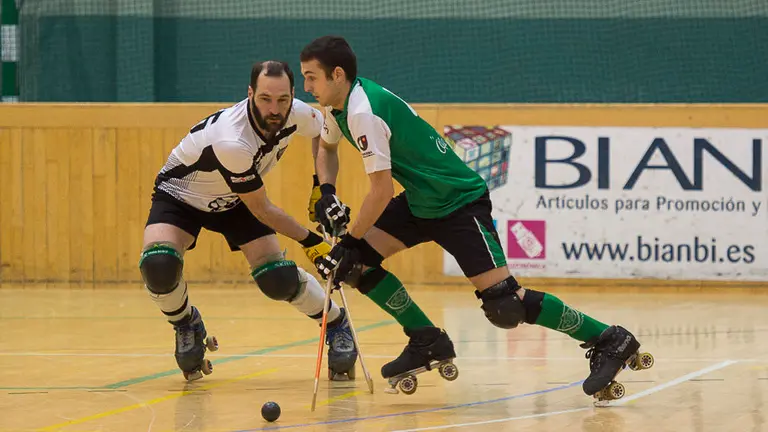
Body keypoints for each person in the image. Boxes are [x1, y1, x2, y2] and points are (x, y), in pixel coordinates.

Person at [300, 36, 653, 399]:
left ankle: (610, 339)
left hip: (458, 202)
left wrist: (349, 241)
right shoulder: (338, 106)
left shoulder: (363, 112)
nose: (307, 87)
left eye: (312, 78)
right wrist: (327, 191)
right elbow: (326, 149)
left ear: (337, 74)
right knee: (354, 267)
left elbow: (380, 191)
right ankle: (426, 340)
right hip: (422, 202)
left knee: (506, 305)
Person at [139, 60, 357, 382]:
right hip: (181, 196)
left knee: (276, 278)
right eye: (265, 99)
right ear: (250, 93)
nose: (274, 109)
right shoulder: (232, 141)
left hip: (235, 200)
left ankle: (337, 324)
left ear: (293, 95)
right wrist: (311, 242)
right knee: (158, 264)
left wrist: (319, 186)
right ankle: (187, 323)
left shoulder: (297, 113)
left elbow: (321, 132)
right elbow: (263, 209)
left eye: (283, 100)